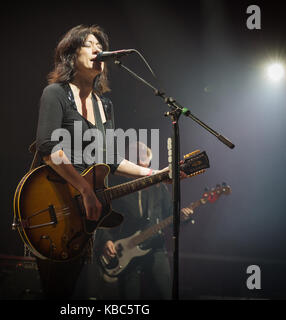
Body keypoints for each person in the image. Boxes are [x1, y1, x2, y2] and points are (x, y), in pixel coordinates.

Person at [33, 25, 187, 299]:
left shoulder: (104, 105)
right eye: (89, 43)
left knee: (78, 291)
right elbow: (48, 146)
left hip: (84, 215)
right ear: (71, 54)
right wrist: (84, 188)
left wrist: (157, 173)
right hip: (52, 201)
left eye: (99, 45)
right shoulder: (55, 93)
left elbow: (110, 158)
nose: (97, 49)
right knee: (56, 290)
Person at [97, 142, 193, 300]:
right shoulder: (115, 185)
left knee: (165, 293)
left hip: (155, 247)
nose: (139, 162)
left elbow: (169, 214)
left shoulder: (159, 187)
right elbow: (102, 215)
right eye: (134, 158)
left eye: (143, 159)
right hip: (124, 250)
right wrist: (106, 240)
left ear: (148, 163)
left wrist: (183, 217)